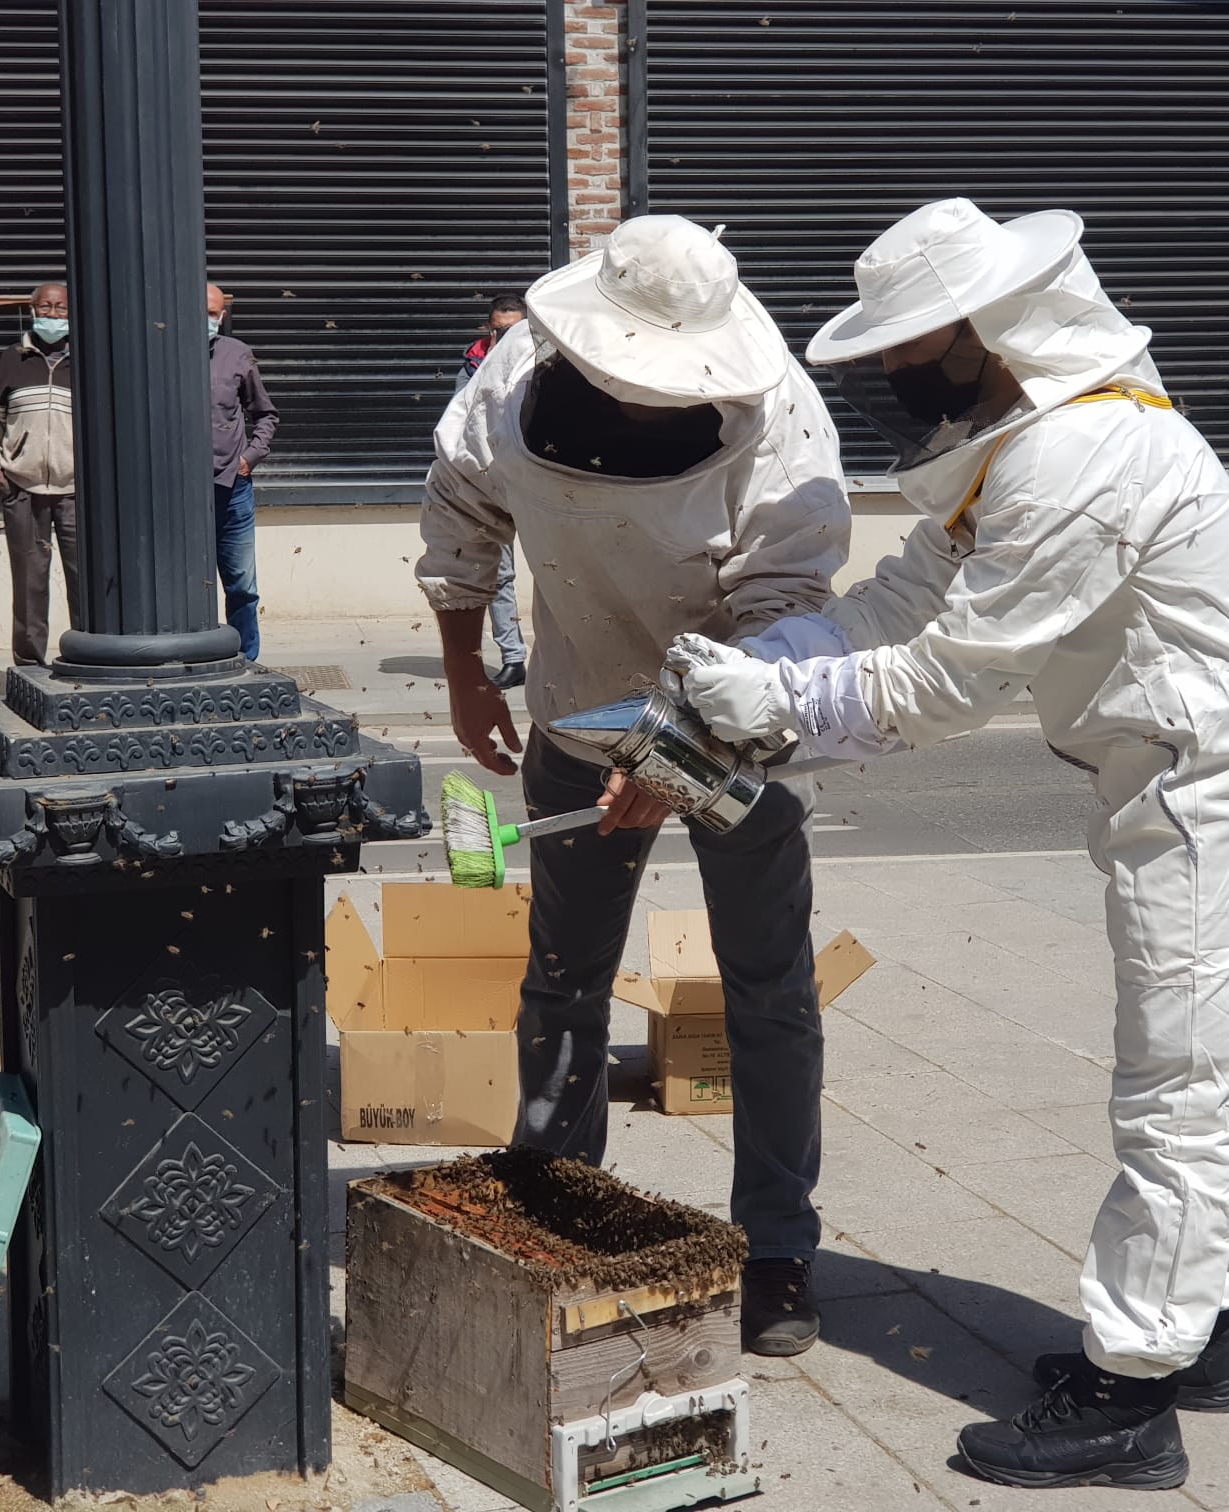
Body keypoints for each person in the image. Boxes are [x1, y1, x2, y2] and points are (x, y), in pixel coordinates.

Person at [667, 199, 1229, 1489]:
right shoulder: (1023, 445)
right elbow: (906, 601)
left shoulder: (1082, 456)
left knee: (1180, 1088)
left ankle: (1133, 1397)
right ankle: (1200, 1338)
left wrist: (779, 711)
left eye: (916, 348)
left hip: (1215, 791)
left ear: (984, 330)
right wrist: (763, 660)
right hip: (1188, 776)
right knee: (1203, 1073)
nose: (901, 375)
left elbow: (947, 684)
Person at [416, 216, 851, 1356]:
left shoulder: (780, 412)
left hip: (734, 725)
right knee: (562, 976)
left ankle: (778, 1249)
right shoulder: (514, 375)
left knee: (768, 988)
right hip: (573, 703)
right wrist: (468, 674)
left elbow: (787, 604)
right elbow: (462, 510)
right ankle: (559, 1204)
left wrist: (684, 753)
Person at [0, 282, 77, 667]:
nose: (53, 314)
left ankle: (83, 653)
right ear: (32, 310)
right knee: (30, 582)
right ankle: (30, 664)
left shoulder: (87, 361)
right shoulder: (11, 361)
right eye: (46, 307)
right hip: (22, 489)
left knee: (83, 578)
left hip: (74, 492)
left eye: (61, 308)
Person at [453, 293, 529, 689]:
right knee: (499, 576)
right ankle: (514, 658)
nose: (506, 338)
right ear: (489, 329)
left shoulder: (541, 362)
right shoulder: (472, 365)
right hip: (490, 484)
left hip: (535, 483)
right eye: (499, 331)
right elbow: (461, 418)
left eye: (515, 330)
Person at [207, 283, 279, 662]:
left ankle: (246, 660)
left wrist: (249, 457)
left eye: (215, 313)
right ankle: (200, 656)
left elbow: (265, 414)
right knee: (190, 586)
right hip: (182, 495)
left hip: (232, 488)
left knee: (241, 584)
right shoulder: (164, 356)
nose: (209, 320)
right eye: (202, 311)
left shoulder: (237, 354)